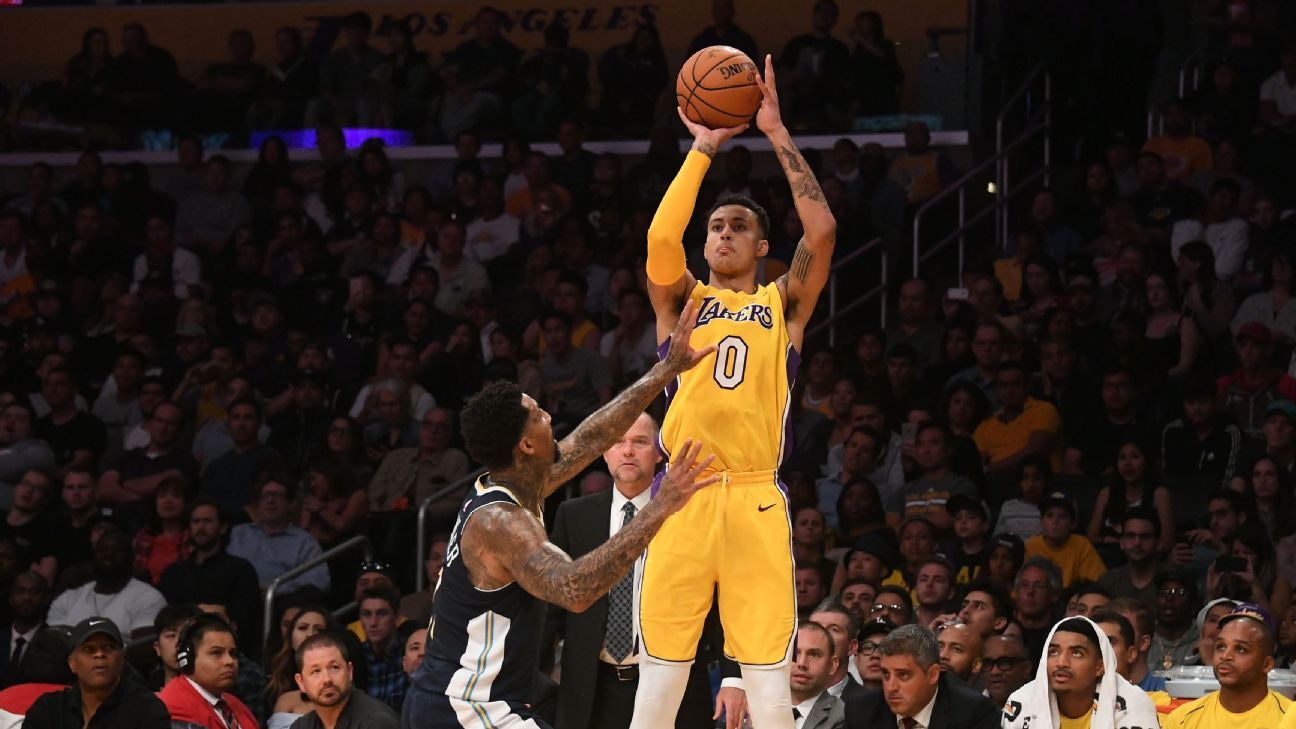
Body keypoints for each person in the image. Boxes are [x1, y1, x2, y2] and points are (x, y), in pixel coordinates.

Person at [634, 55, 836, 729]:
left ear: (762, 245)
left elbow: (822, 232)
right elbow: (661, 236)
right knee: (661, 672)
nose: (723, 233)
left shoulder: (784, 304)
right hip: (681, 494)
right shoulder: (680, 300)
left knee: (768, 679)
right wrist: (702, 147)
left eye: (738, 226)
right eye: (716, 226)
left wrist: (775, 131)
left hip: (754, 494)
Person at [403, 299, 717, 729]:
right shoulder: (502, 522)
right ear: (526, 445)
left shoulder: (519, 481)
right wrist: (660, 507)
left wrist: (665, 371)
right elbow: (574, 589)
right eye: (538, 414)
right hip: (465, 705)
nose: (549, 415)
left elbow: (593, 437)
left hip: (467, 698)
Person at [546, 412, 742, 729]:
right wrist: (529, 679)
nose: (627, 451)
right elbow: (550, 607)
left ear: (659, 452)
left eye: (639, 442)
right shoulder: (574, 516)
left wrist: (734, 677)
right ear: (604, 452)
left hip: (674, 682)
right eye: (618, 442)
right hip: (592, 689)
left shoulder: (692, 515)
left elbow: (724, 599)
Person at [1001, 616, 1158, 729]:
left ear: (1100, 667)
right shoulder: (1021, 704)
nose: (1061, 662)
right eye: (1053, 652)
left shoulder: (1134, 705)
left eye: (1077, 653)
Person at [22, 617, 170, 729]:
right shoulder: (49, 708)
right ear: (72, 663)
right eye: (89, 649)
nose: (99, 654)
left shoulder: (146, 709)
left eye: (108, 647)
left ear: (122, 659)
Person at [842, 624, 999, 729]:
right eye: (886, 674)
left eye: (903, 675)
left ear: (933, 674)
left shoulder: (973, 712)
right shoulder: (861, 710)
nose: (891, 687)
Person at [1165, 604, 1291, 729]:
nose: (1225, 656)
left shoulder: (1290, 719)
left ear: (1267, 664)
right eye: (1221, 646)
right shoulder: (1182, 720)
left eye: (1240, 649)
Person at [158, 499, 262, 643]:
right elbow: (164, 619)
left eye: (207, 521)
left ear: (223, 527)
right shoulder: (173, 572)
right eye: (196, 522)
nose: (200, 527)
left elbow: (245, 621)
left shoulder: (241, 570)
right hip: (179, 645)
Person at [46, 527, 166, 637]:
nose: (108, 554)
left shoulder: (148, 598)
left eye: (117, 550)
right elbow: (53, 644)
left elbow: (143, 648)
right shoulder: (68, 599)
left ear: (131, 557)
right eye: (103, 549)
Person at [227, 475, 330, 594]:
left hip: (281, 600)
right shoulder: (238, 533)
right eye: (265, 496)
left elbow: (319, 580)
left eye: (278, 495)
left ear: (291, 504)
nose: (270, 501)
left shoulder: (304, 541)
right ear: (258, 504)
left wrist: (274, 589)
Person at [157, 614, 259, 729]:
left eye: (232, 653)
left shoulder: (235, 704)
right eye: (216, 653)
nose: (229, 661)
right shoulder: (173, 706)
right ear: (188, 659)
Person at [292, 633, 398, 729]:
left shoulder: (377, 722)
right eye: (316, 671)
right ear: (301, 682)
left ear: (349, 671)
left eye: (334, 667)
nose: (327, 679)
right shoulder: (302, 726)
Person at [1024, 491, 1105, 587]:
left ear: (1073, 523)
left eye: (1062, 516)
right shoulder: (1031, 545)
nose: (1055, 521)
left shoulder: (1082, 545)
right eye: (1050, 515)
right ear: (1041, 521)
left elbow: (1096, 584)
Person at [1096, 510, 1160, 609]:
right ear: (1122, 542)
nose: (1137, 543)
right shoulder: (1107, 581)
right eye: (1131, 536)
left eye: (1145, 536)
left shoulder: (1171, 580)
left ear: (1157, 543)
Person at [356, 587, 406, 712]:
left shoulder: (409, 653)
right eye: (366, 614)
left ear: (396, 616)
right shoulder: (356, 657)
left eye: (381, 613)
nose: (373, 622)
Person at [789, 623, 845, 729]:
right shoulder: (759, 707)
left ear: (832, 665)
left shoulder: (843, 716)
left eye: (813, 654)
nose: (801, 663)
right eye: (795, 653)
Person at [808, 601, 863, 700]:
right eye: (815, 628)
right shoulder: (782, 694)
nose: (822, 635)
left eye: (834, 629)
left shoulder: (869, 703)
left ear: (852, 647)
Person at [980, 635, 1032, 708]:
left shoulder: (1042, 707)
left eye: (1004, 663)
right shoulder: (970, 705)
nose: (994, 672)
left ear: (1025, 668)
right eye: (988, 663)